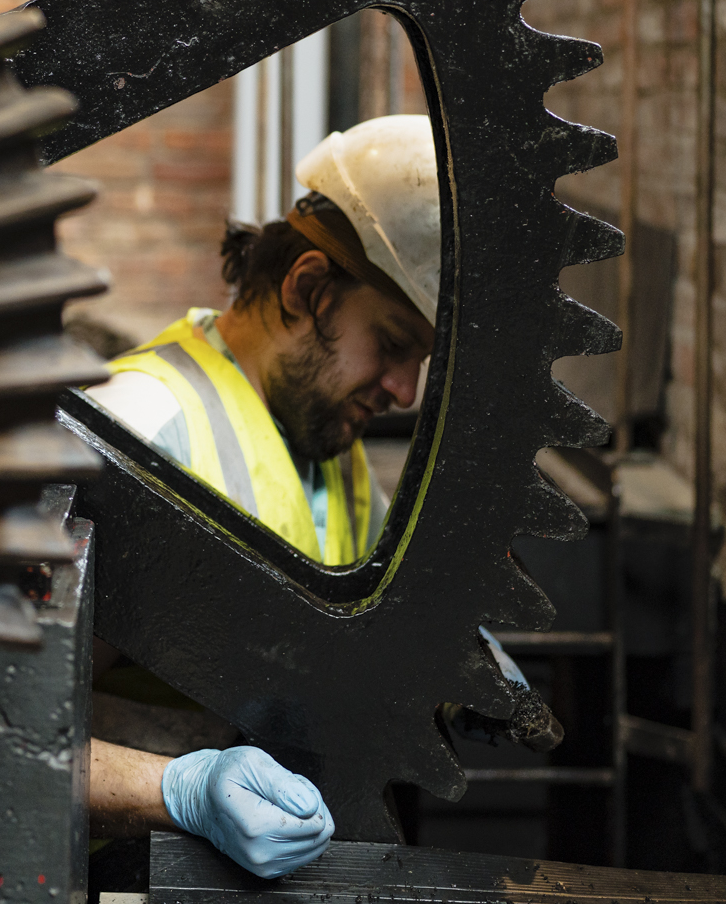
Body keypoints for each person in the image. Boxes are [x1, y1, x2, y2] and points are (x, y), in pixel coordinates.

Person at [81, 114, 442, 878]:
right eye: (393, 343)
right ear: (308, 288)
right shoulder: (145, 433)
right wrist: (178, 790)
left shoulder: (320, 435)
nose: (404, 391)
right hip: (125, 878)